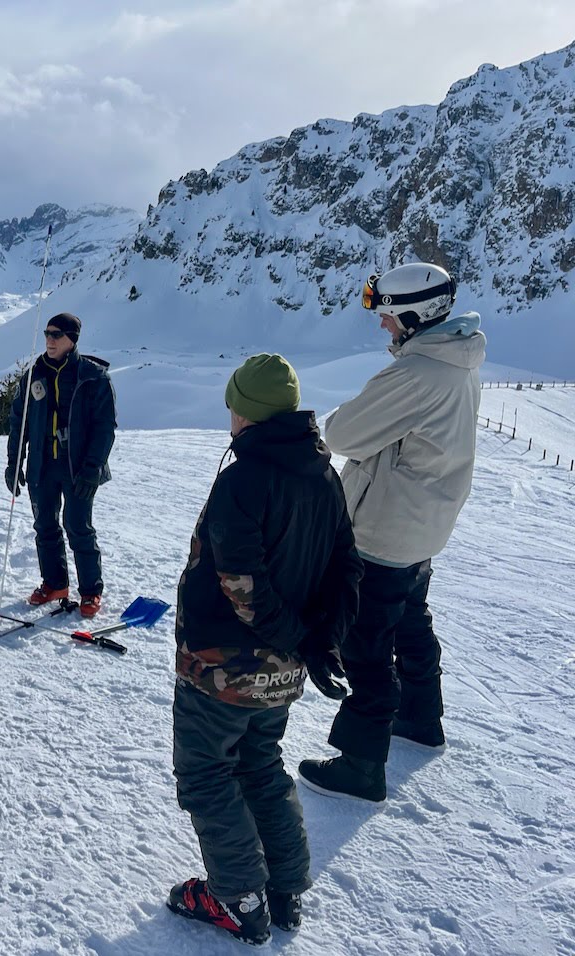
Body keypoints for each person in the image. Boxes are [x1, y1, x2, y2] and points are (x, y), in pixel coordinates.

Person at [168, 353, 362, 945]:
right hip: (284, 666)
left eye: (233, 405)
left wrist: (299, 638)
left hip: (224, 665)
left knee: (206, 774)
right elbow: (345, 569)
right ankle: (283, 886)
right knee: (258, 763)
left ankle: (237, 898)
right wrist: (319, 643)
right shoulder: (323, 474)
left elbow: (240, 582)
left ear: (246, 413)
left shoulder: (246, 476)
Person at [300, 263, 486, 803]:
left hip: (386, 530)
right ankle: (421, 718)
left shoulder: (418, 372)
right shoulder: (459, 358)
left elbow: (342, 432)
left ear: (413, 314)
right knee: (410, 622)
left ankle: (361, 765)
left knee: (366, 645)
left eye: (387, 317)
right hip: (423, 525)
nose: (383, 327)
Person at [5, 312, 116, 617]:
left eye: (56, 335)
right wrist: (15, 461)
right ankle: (55, 584)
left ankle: (91, 591)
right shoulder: (33, 375)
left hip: (79, 468)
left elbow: (105, 428)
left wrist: (93, 468)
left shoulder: (93, 377)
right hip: (43, 464)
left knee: (78, 526)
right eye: (47, 334)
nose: (49, 340)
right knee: (44, 525)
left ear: (72, 339)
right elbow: (19, 422)